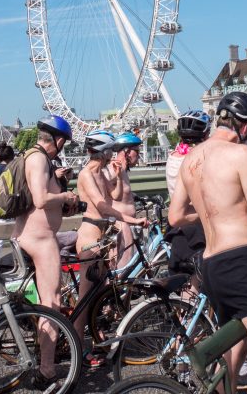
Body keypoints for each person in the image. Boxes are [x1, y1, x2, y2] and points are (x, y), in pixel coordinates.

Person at [169, 91, 247, 393]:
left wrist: (210, 214)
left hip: (210, 264)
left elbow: (175, 217)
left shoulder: (189, 162)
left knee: (237, 341)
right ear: (246, 125)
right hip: (239, 261)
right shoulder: (241, 155)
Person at [13, 115, 79, 386]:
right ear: (60, 140)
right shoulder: (39, 159)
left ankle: (45, 356)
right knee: (51, 304)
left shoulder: (34, 156)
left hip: (31, 235)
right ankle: (47, 371)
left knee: (45, 302)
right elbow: (40, 199)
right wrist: (66, 196)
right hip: (40, 240)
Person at [73, 131, 144, 343]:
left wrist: (119, 174)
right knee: (85, 298)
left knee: (98, 295)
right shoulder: (86, 174)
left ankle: (96, 339)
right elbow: (102, 205)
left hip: (102, 237)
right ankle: (77, 346)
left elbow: (113, 196)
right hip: (90, 236)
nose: (112, 155)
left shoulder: (100, 174)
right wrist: (131, 220)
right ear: (103, 152)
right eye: (110, 151)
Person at [165, 110, 210, 276]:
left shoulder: (173, 157)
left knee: (192, 284)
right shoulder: (196, 159)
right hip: (196, 227)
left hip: (178, 229)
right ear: (204, 134)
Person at [108, 131, 145, 267]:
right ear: (126, 151)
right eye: (136, 151)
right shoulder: (113, 169)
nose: (139, 155)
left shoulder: (122, 170)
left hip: (129, 225)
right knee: (123, 272)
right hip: (121, 226)